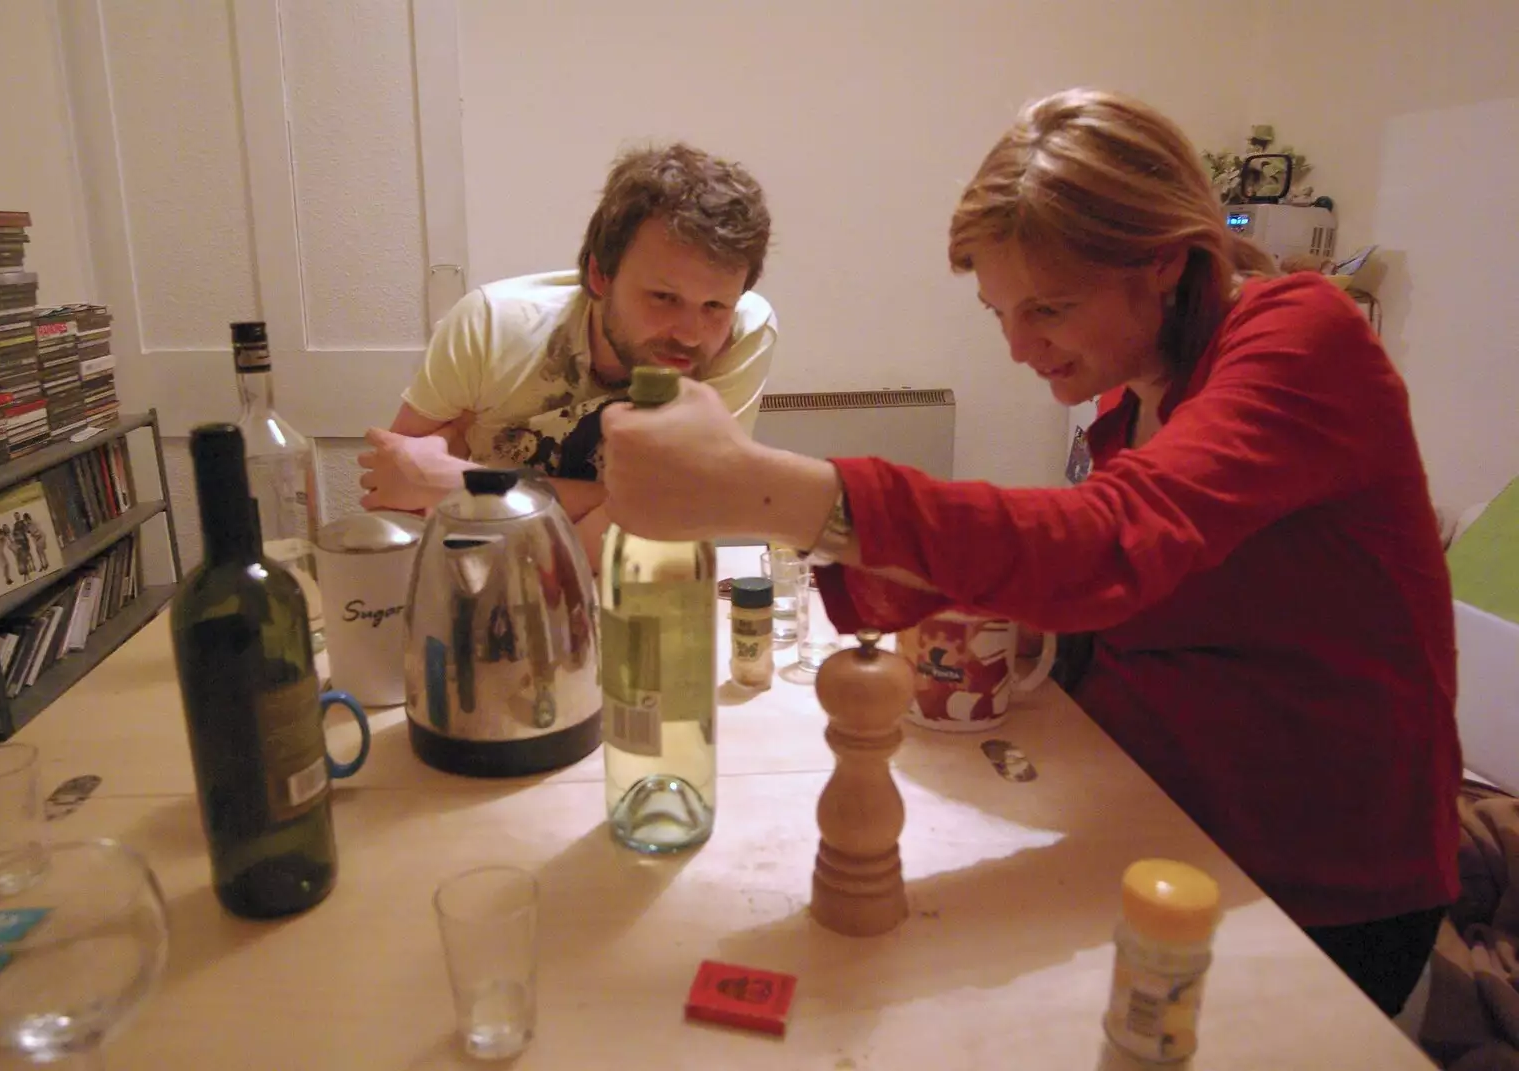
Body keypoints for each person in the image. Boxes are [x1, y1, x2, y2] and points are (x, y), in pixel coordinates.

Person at [599, 89, 1460, 1017]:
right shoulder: (1132, 404)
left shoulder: (1304, 337)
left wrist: (764, 489)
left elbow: (1108, 545)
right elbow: (1066, 565)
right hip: (1155, 823)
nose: (1018, 348)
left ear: (1162, 261)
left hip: (1317, 881)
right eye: (999, 312)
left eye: (1048, 307)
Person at [358, 141, 777, 571]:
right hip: (482, 589)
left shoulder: (745, 330)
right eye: (663, 297)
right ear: (600, 275)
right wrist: (624, 505)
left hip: (630, 594)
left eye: (714, 306)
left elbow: (683, 511)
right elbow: (395, 488)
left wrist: (463, 484)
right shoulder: (489, 325)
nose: (690, 335)